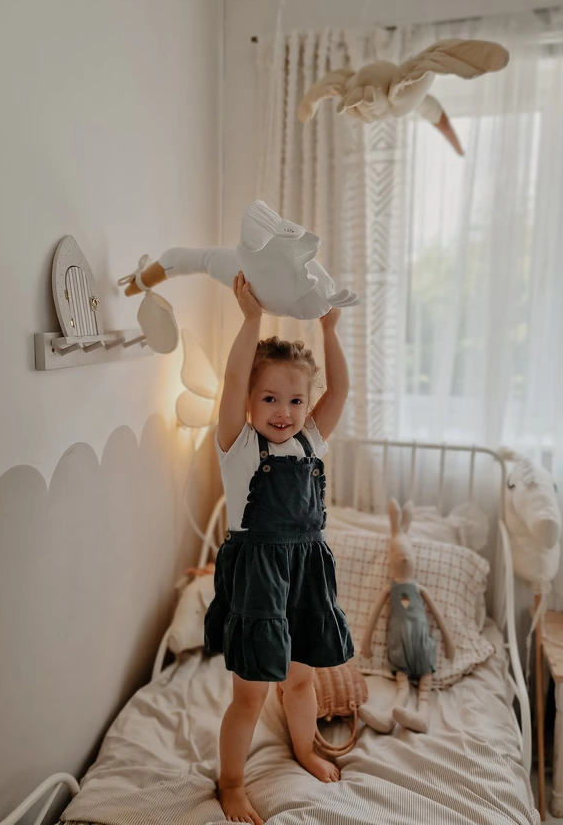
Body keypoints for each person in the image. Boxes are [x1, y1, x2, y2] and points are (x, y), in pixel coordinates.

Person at [204, 272, 354, 825]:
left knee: (301, 679)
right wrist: (250, 321)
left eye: (295, 399)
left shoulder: (309, 441)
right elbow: (231, 379)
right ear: (249, 399)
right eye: (269, 398)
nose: (283, 411)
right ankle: (233, 783)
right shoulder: (238, 446)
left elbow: (339, 391)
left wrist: (330, 328)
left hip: (305, 572)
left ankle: (305, 747)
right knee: (252, 694)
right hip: (261, 578)